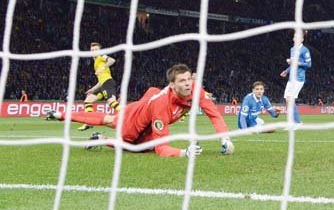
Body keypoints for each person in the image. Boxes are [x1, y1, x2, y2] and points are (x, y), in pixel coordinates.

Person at [45, 63, 233, 157]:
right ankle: (100, 138)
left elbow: (214, 115)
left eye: (188, 79)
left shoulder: (197, 90)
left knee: (110, 119)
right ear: (172, 85)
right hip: (135, 121)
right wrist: (184, 153)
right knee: (134, 144)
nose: (188, 84)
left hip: (145, 107)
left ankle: (92, 133)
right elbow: (162, 149)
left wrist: (225, 138)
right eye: (182, 81)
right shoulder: (162, 104)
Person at [78, 42, 121, 131]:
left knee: (111, 102)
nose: (94, 51)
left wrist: (103, 67)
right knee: (88, 100)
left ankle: (128, 114)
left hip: (108, 82)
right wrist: (92, 89)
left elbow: (112, 60)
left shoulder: (101, 56)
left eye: (96, 50)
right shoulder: (96, 62)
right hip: (102, 84)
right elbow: (100, 81)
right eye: (92, 50)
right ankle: (88, 122)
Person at [280, 33, 312, 126]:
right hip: (291, 78)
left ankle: (297, 122)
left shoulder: (305, 50)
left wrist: (296, 62)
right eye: (295, 36)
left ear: (302, 39)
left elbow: (309, 64)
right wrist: (286, 71)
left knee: (290, 99)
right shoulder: (292, 49)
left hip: (299, 78)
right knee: (287, 99)